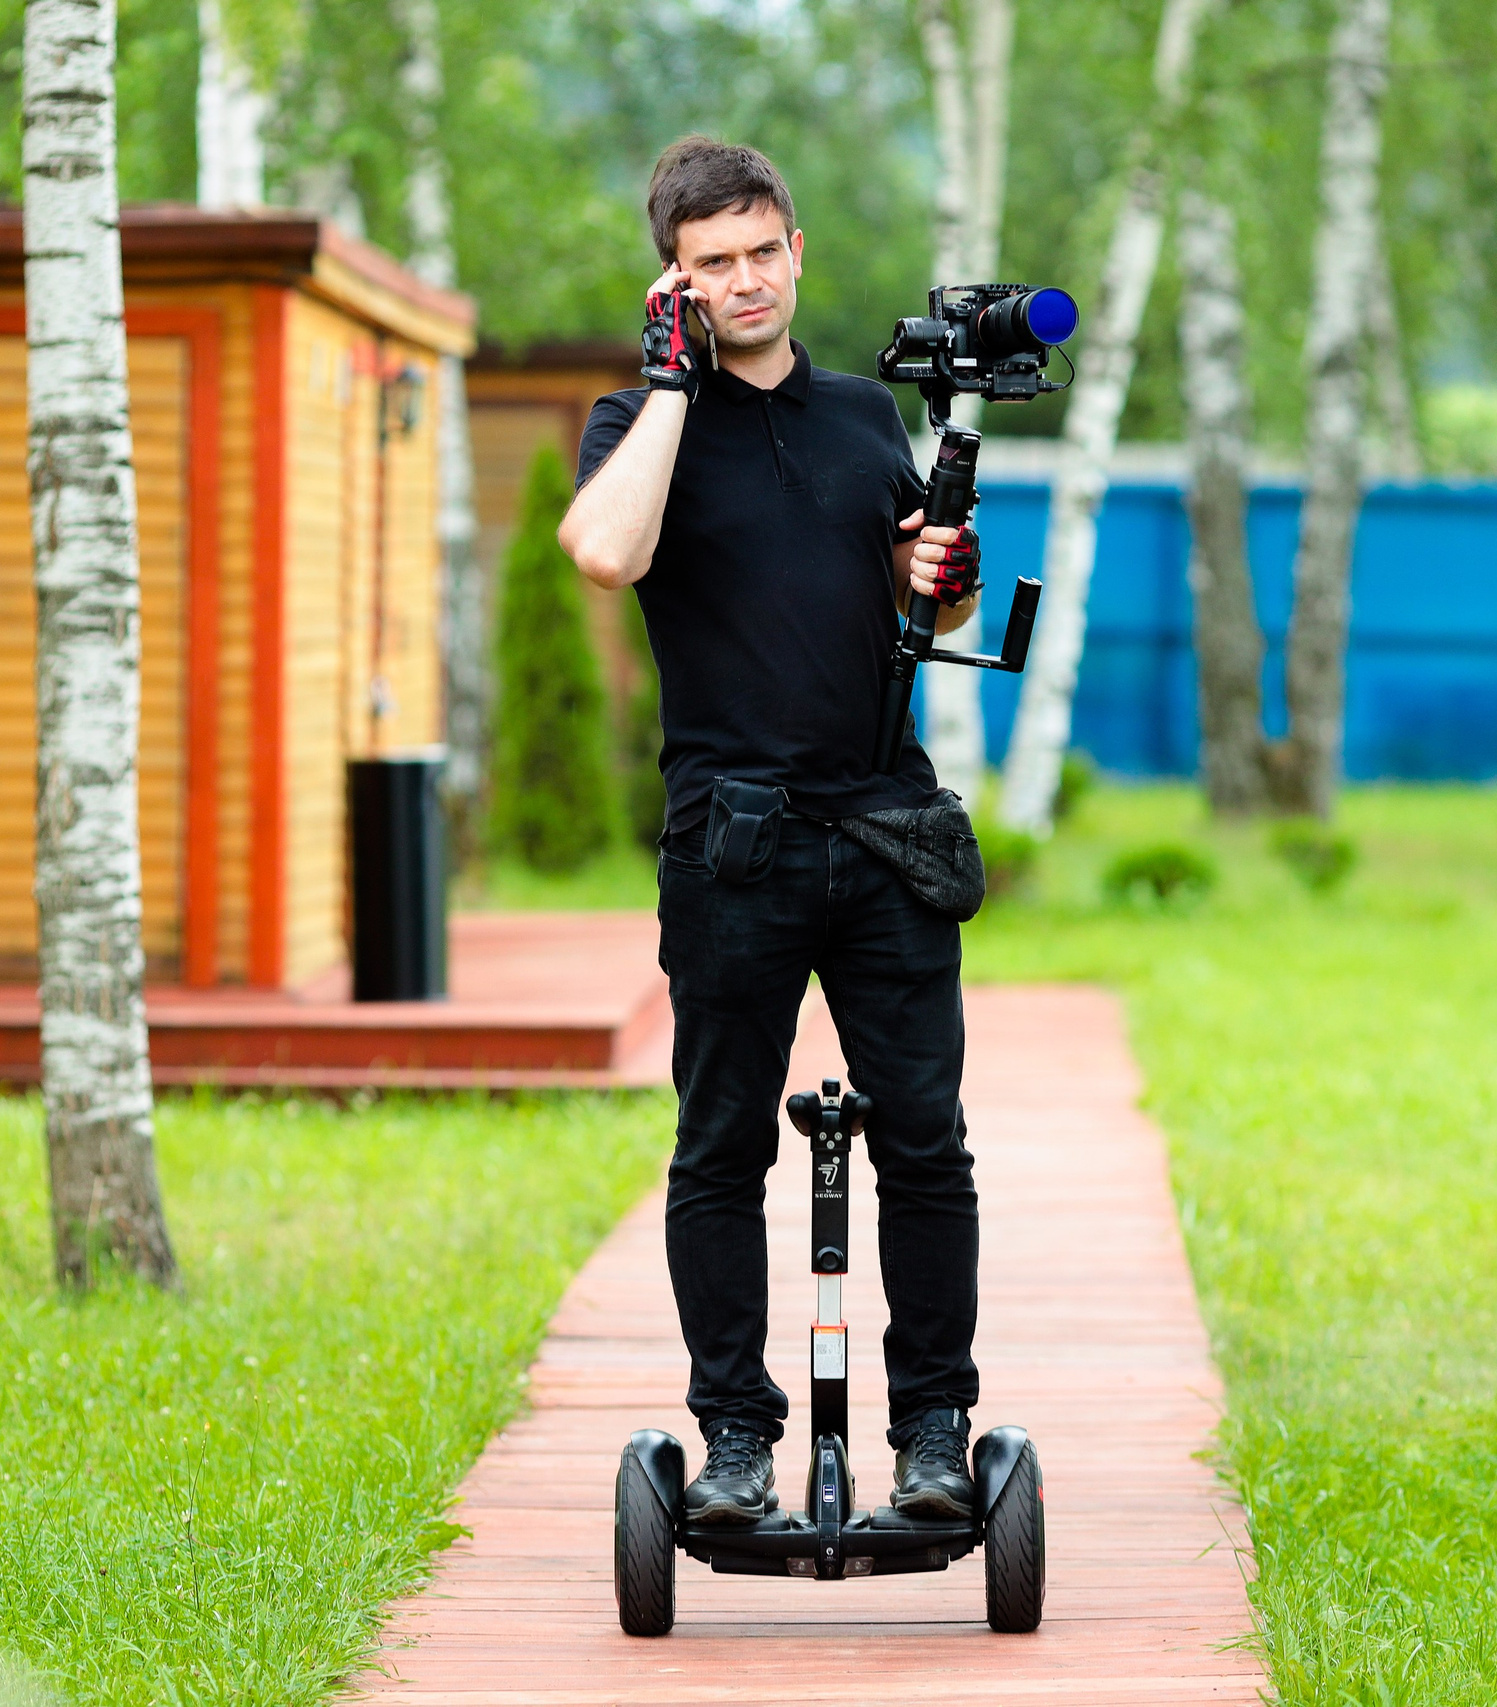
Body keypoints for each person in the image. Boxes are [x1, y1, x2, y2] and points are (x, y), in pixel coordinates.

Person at [558, 136, 988, 1528]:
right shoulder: (637, 423)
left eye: (760, 252)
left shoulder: (869, 415)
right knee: (721, 1146)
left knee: (924, 1140)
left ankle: (932, 1434)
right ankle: (735, 1444)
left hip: (887, 836)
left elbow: (922, 619)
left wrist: (944, 574)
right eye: (711, 264)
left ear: (795, 249)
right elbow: (608, 554)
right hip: (733, 845)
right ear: (674, 282)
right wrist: (676, 382)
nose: (745, 281)